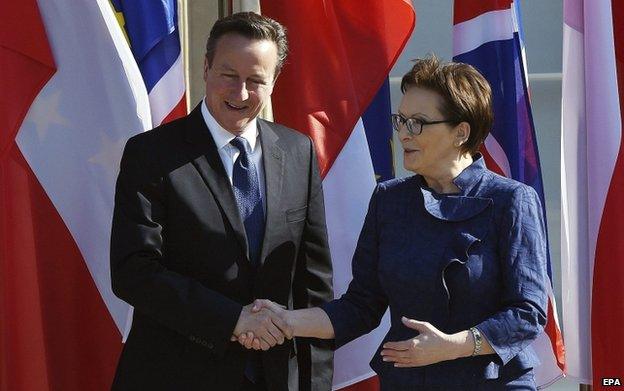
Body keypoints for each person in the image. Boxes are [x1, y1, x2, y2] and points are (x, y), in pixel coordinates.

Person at [240, 56, 549, 390]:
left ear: (461, 132)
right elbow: (361, 306)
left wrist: (455, 345)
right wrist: (287, 321)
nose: (403, 133)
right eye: (400, 120)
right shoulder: (389, 199)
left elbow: (527, 313)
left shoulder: (511, 200)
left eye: (417, 123)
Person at [110, 12, 333, 391]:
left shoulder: (298, 152)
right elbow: (135, 271)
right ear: (206, 68)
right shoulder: (152, 153)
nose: (241, 93)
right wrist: (231, 319)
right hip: (176, 375)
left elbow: (313, 284)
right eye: (229, 75)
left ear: (274, 82)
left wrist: (314, 384)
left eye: (256, 80)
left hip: (274, 377)